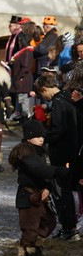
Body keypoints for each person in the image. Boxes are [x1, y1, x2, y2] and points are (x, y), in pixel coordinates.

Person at [8, 119, 62, 256]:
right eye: (37, 136)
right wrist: (59, 171)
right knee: (30, 227)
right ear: (28, 138)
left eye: (43, 136)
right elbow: (39, 170)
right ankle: (25, 252)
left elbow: (44, 174)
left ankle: (35, 246)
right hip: (28, 196)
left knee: (49, 222)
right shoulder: (25, 153)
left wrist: (48, 187)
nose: (41, 139)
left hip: (40, 195)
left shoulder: (40, 152)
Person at [33, 74, 80, 239]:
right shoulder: (69, 98)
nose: (43, 98)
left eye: (41, 94)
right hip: (74, 151)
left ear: (44, 89)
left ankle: (69, 228)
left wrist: (44, 138)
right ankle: (71, 227)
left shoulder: (59, 103)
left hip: (62, 153)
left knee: (62, 191)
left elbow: (58, 129)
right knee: (68, 190)